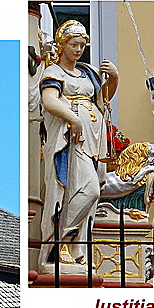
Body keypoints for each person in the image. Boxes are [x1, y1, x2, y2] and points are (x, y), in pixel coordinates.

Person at [39, 20, 119, 270]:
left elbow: (102, 98)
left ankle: (73, 246)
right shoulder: (54, 73)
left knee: (87, 192)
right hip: (70, 141)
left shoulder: (88, 73)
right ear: (62, 46)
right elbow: (49, 100)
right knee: (86, 190)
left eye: (82, 45)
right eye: (73, 44)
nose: (78, 50)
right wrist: (73, 119)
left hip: (92, 140)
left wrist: (114, 78)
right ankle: (59, 242)